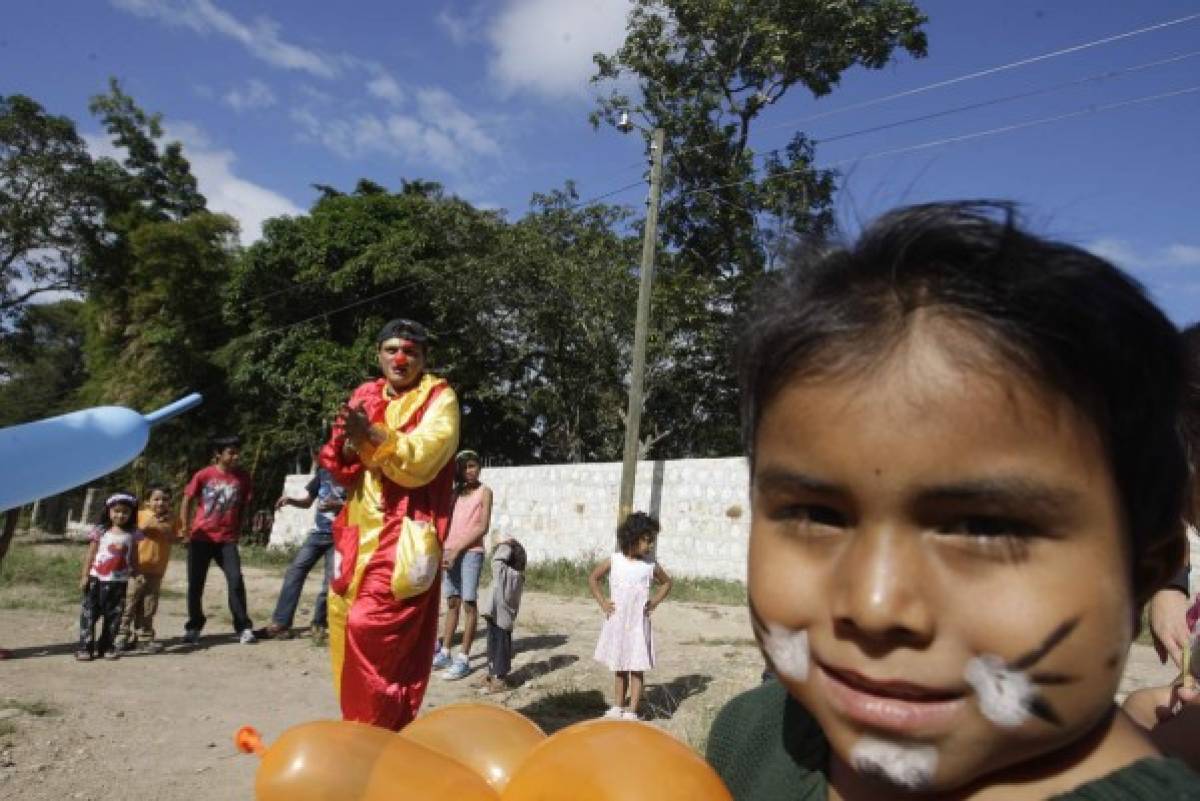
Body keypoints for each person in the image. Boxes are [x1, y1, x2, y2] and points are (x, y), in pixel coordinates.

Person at [705, 201, 1200, 798]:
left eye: (982, 527)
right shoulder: (757, 737)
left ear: (1144, 568)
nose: (876, 604)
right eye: (816, 514)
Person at [319, 318, 460, 730]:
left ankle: (375, 733)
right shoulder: (364, 393)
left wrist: (372, 436)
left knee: (372, 629)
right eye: (391, 350)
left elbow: (420, 461)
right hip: (357, 534)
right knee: (344, 623)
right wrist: (347, 444)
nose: (400, 358)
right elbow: (336, 461)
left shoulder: (439, 397)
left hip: (403, 539)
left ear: (423, 357)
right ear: (378, 354)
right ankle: (363, 726)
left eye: (410, 351)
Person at [589, 511, 673, 721]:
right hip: (618, 622)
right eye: (647, 540)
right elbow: (594, 578)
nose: (651, 545)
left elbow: (667, 583)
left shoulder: (649, 566)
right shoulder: (615, 560)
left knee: (636, 667)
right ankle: (618, 705)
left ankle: (632, 710)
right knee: (619, 666)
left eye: (652, 541)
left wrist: (653, 602)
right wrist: (603, 603)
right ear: (632, 537)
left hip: (637, 625)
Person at [256, 466, 346, 643]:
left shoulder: (355, 472)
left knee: (330, 582)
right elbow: (307, 502)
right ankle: (281, 623)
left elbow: (364, 505)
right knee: (294, 572)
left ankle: (320, 624)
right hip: (317, 535)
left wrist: (340, 505)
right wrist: (290, 500)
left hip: (340, 536)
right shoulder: (323, 473)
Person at [181, 435, 256, 645]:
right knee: (195, 584)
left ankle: (243, 627)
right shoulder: (204, 475)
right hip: (201, 537)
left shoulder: (243, 477)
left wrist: (239, 530)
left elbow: (243, 506)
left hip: (227, 540)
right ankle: (194, 625)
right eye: (231, 452)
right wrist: (185, 529)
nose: (236, 456)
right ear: (218, 454)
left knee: (235, 580)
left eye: (237, 452)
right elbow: (187, 499)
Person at [433, 449, 493, 680]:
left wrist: (458, 550)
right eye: (465, 467)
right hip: (450, 552)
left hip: (470, 553)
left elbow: (482, 527)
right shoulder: (454, 493)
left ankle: (464, 659)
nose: (470, 471)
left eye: (473, 466)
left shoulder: (485, 492)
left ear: (479, 467)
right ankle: (445, 651)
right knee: (452, 603)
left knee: (468, 604)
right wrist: (445, 551)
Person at [77, 492, 143, 661]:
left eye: (125, 512)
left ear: (131, 514)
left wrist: (136, 572)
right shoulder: (101, 531)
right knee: (89, 614)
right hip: (96, 580)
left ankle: (107, 646)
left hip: (119, 583)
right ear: (108, 511)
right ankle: (85, 647)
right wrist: (85, 576)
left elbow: (134, 556)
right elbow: (90, 554)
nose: (120, 515)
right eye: (116, 511)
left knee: (114, 616)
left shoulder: (133, 533)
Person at [117, 484, 180, 653]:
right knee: (129, 602)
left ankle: (144, 637)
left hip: (157, 570)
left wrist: (167, 532)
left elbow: (177, 538)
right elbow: (128, 535)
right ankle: (121, 636)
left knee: (149, 605)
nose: (161, 503)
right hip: (136, 568)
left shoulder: (173, 518)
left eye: (165, 499)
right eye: (156, 499)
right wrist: (146, 527)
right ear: (147, 501)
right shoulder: (139, 515)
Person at [480, 536, 527, 693]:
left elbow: (496, 561)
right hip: (501, 619)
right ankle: (495, 676)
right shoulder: (518, 577)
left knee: (498, 650)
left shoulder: (505, 574)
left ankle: (499, 681)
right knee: (498, 649)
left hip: (499, 618)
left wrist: (506, 545)